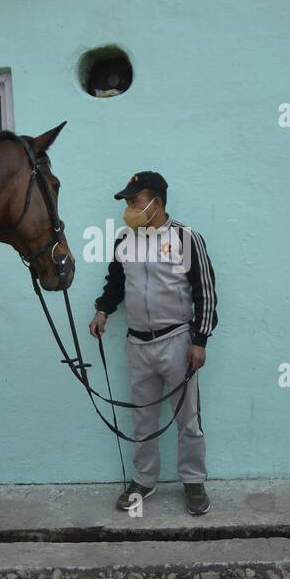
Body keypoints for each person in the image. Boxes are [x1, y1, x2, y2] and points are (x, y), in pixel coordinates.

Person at [89, 171, 218, 516]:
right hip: (138, 345)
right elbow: (115, 283)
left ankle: (193, 480)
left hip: (177, 341)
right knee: (143, 419)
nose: (129, 207)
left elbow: (205, 291)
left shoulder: (185, 239)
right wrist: (103, 311)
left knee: (187, 418)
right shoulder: (123, 240)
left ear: (156, 202)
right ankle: (144, 480)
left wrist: (200, 340)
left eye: (135, 200)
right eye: (128, 201)